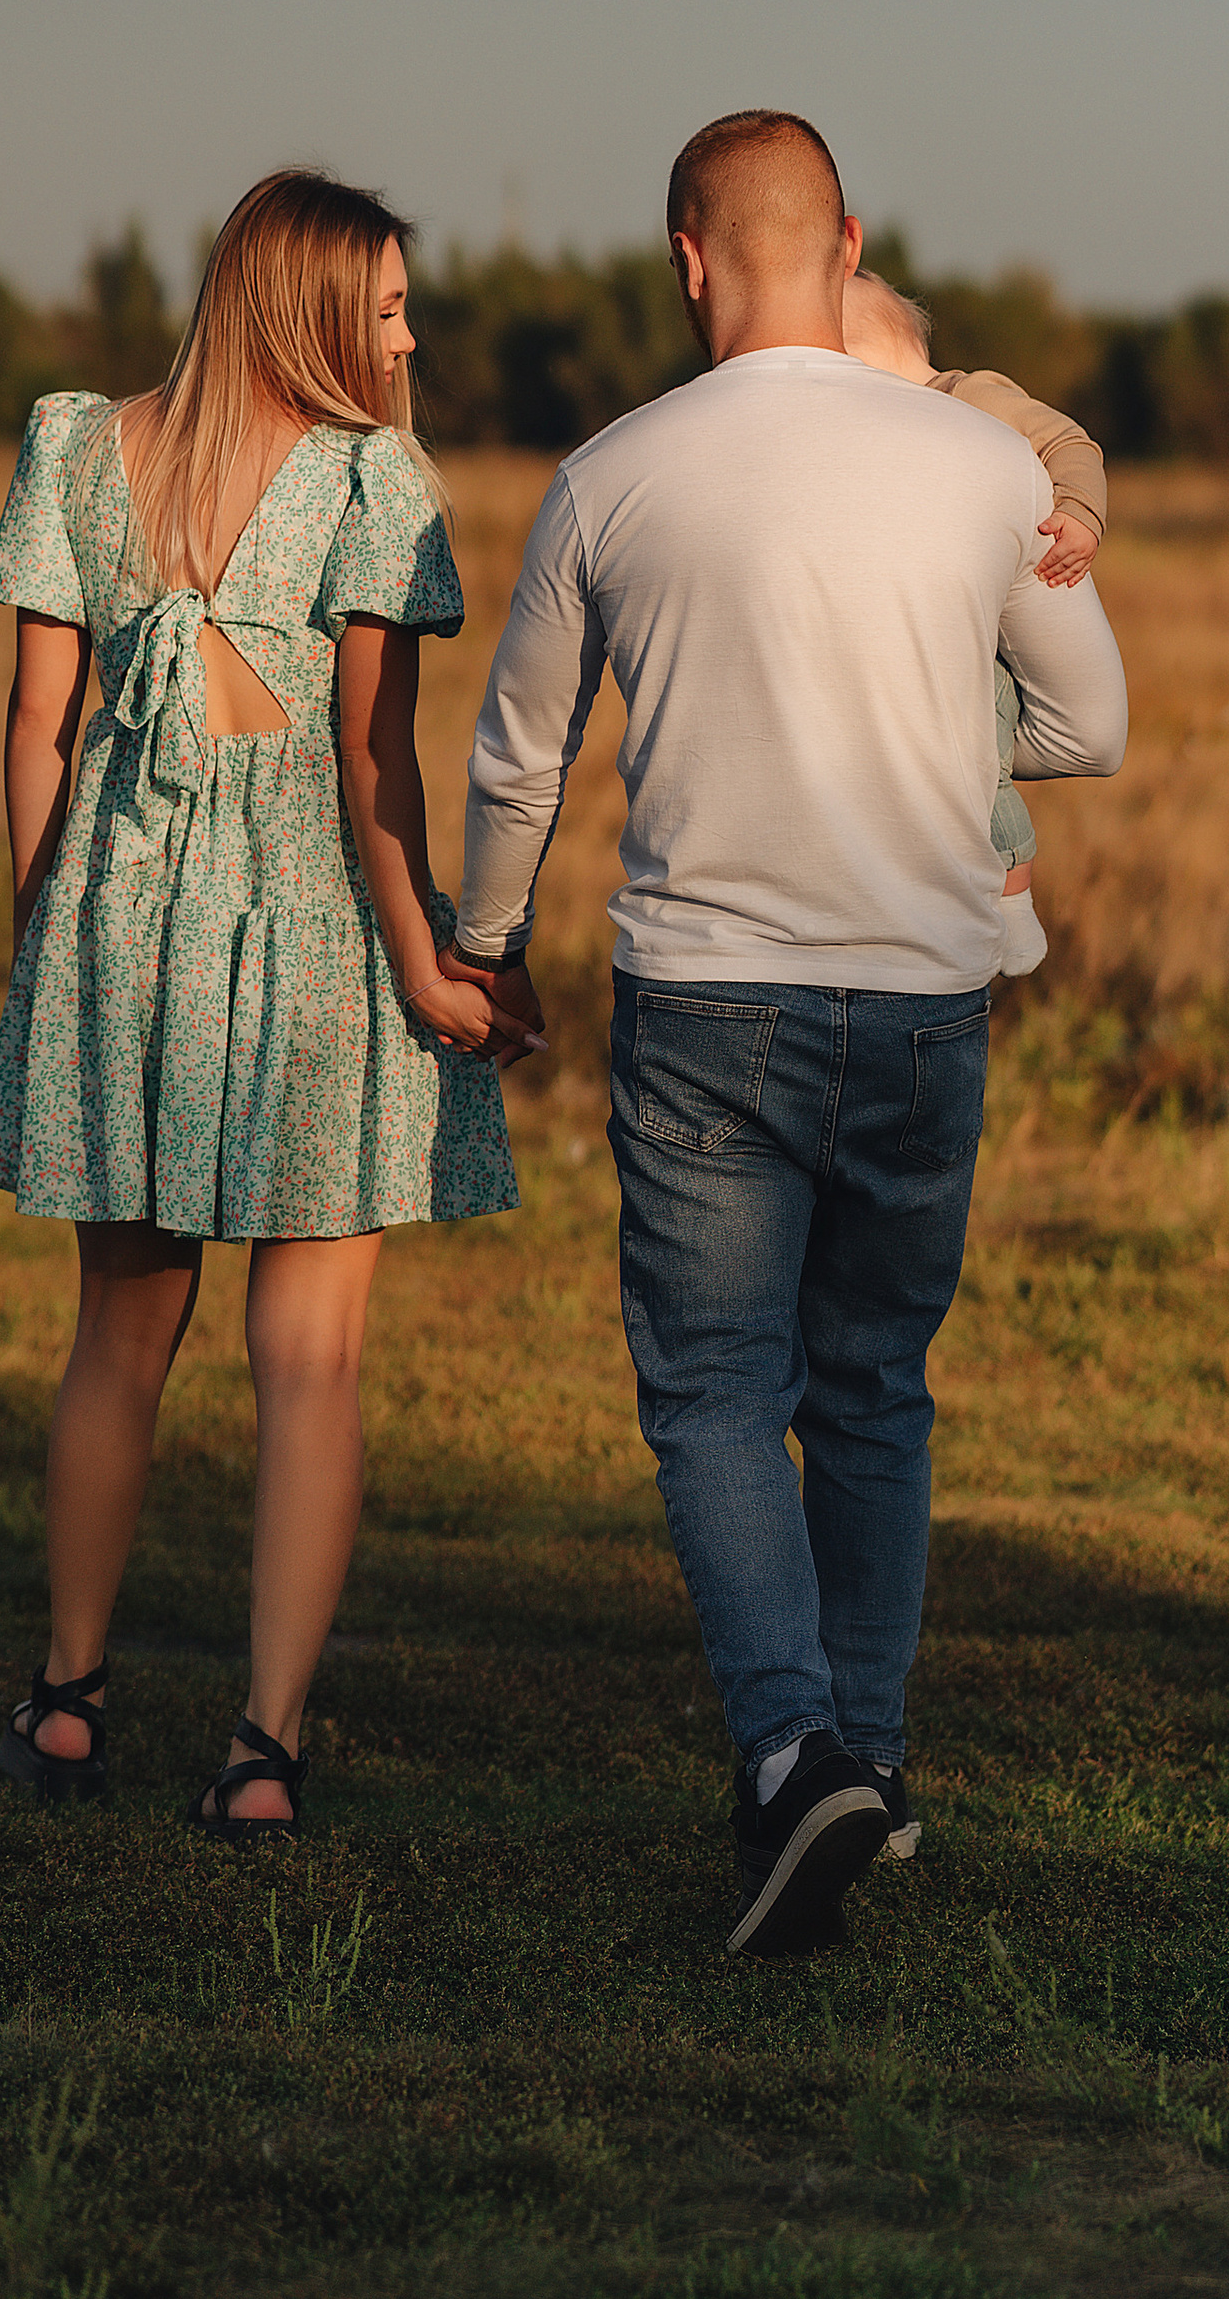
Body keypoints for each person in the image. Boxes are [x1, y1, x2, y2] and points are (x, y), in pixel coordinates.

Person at [444, 113, 1126, 1954]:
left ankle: (787, 1754)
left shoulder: (610, 475)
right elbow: (1087, 720)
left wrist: (485, 946)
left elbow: (520, 753)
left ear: (687, 258)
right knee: (875, 1385)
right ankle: (874, 1773)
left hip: (708, 1001)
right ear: (847, 239)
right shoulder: (980, 467)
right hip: (923, 997)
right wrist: (939, 726)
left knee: (717, 1387)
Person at [0, 169, 523, 1840]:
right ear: (310, 311)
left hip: (112, 932)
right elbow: (378, 764)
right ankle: (261, 1751)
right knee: (312, 1355)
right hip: (313, 939)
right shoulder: (376, 479)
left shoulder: (74, 442)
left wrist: (46, 941)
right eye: (387, 305)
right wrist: (436, 958)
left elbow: (34, 729)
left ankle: (69, 1699)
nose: (411, 332)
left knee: (118, 1339)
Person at [837, 270, 1112, 979]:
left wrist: (1081, 513)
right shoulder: (893, 437)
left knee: (979, 753)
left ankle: (1013, 896)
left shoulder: (970, 397)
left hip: (988, 642)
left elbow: (1071, 442)